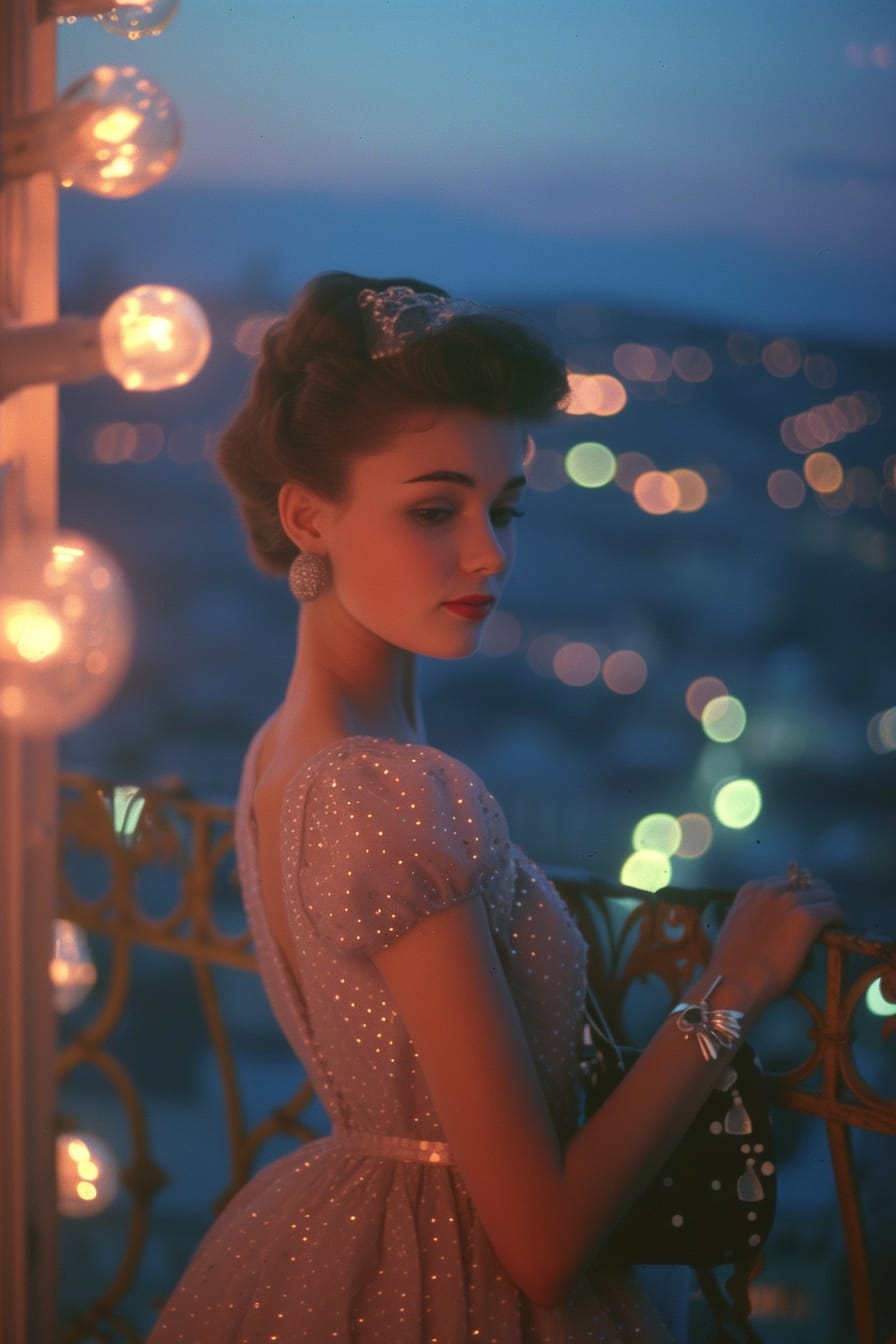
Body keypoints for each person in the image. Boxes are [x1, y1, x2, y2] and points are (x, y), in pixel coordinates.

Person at [147, 272, 842, 1343]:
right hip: (454, 1290)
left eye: (501, 507)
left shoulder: (278, 752)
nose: (490, 552)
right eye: (435, 509)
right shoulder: (385, 790)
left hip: (346, 1244)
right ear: (305, 517)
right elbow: (544, 1246)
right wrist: (730, 985)